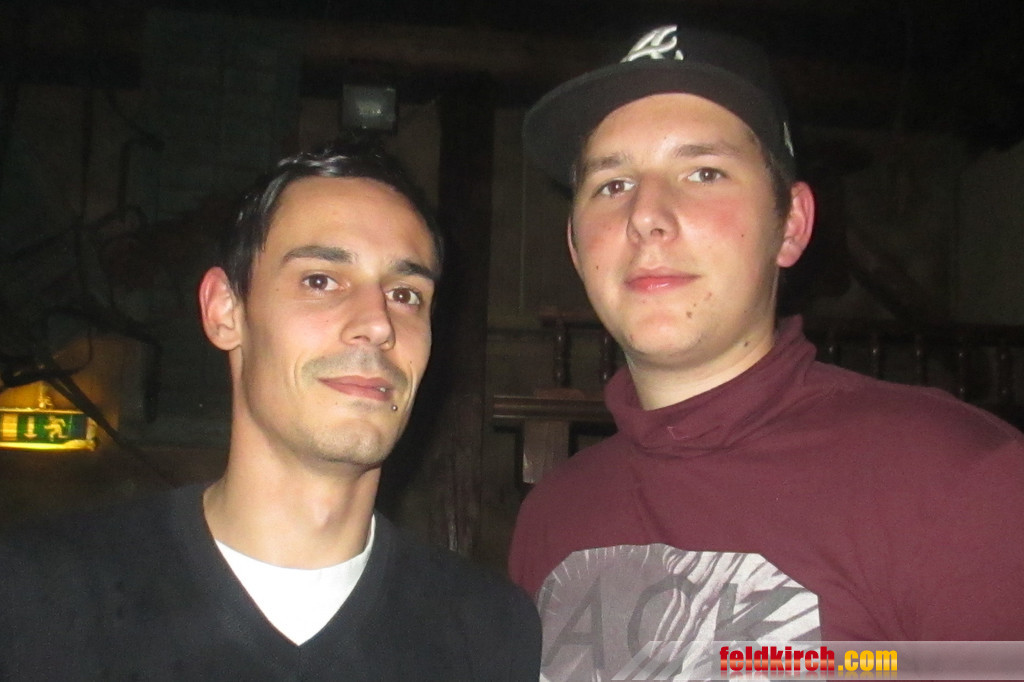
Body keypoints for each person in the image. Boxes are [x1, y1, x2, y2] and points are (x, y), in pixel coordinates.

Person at [508, 24, 1024, 680]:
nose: (646, 215)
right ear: (578, 246)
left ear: (792, 225)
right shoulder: (551, 516)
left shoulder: (963, 481)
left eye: (704, 172)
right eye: (613, 184)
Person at [0, 138, 541, 680]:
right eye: (320, 281)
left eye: (406, 294)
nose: (378, 323)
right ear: (225, 311)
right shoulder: (37, 599)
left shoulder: (490, 631)